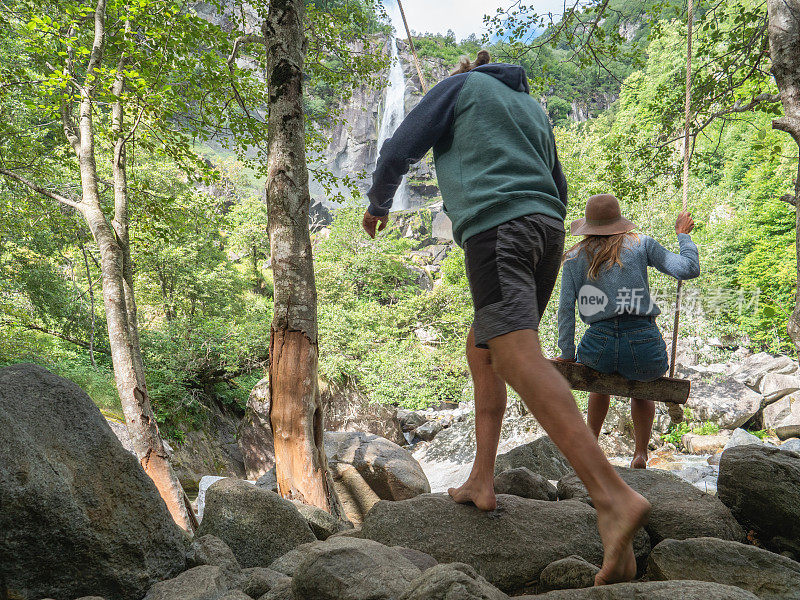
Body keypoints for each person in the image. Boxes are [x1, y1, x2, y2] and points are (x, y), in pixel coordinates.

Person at [362, 50, 651, 586]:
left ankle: (612, 497)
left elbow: (400, 145)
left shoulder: (460, 87)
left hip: (498, 228)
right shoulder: (531, 106)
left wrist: (379, 202)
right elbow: (559, 186)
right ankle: (482, 478)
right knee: (486, 342)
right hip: (546, 229)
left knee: (517, 356)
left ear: (468, 70)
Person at [557, 194, 700, 468]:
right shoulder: (640, 244)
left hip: (597, 348)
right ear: (619, 221)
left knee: (599, 385)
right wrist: (683, 236)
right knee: (643, 388)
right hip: (643, 343)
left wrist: (567, 352)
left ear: (588, 225)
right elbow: (688, 269)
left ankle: (591, 447)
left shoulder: (574, 257)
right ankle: (640, 454)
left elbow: (565, 310)